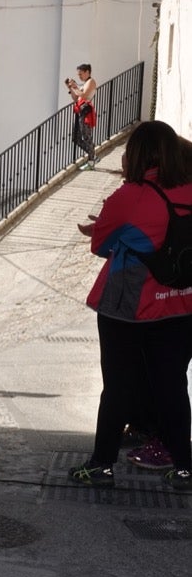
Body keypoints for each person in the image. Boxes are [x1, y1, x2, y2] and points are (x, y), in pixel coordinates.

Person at [68, 120, 192, 489]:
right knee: (172, 385)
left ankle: (102, 465)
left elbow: (101, 246)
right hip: (183, 306)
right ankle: (184, 467)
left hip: (130, 308)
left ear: (136, 154)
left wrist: (111, 228)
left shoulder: (128, 197)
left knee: (119, 387)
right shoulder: (188, 189)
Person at [66, 63, 97, 169]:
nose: (79, 76)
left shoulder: (91, 81)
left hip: (86, 112)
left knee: (87, 137)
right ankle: (93, 154)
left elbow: (83, 95)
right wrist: (71, 88)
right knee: (76, 137)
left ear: (87, 72)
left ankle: (91, 162)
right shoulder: (83, 84)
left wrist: (75, 87)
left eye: (81, 74)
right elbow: (76, 99)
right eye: (78, 75)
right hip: (80, 112)